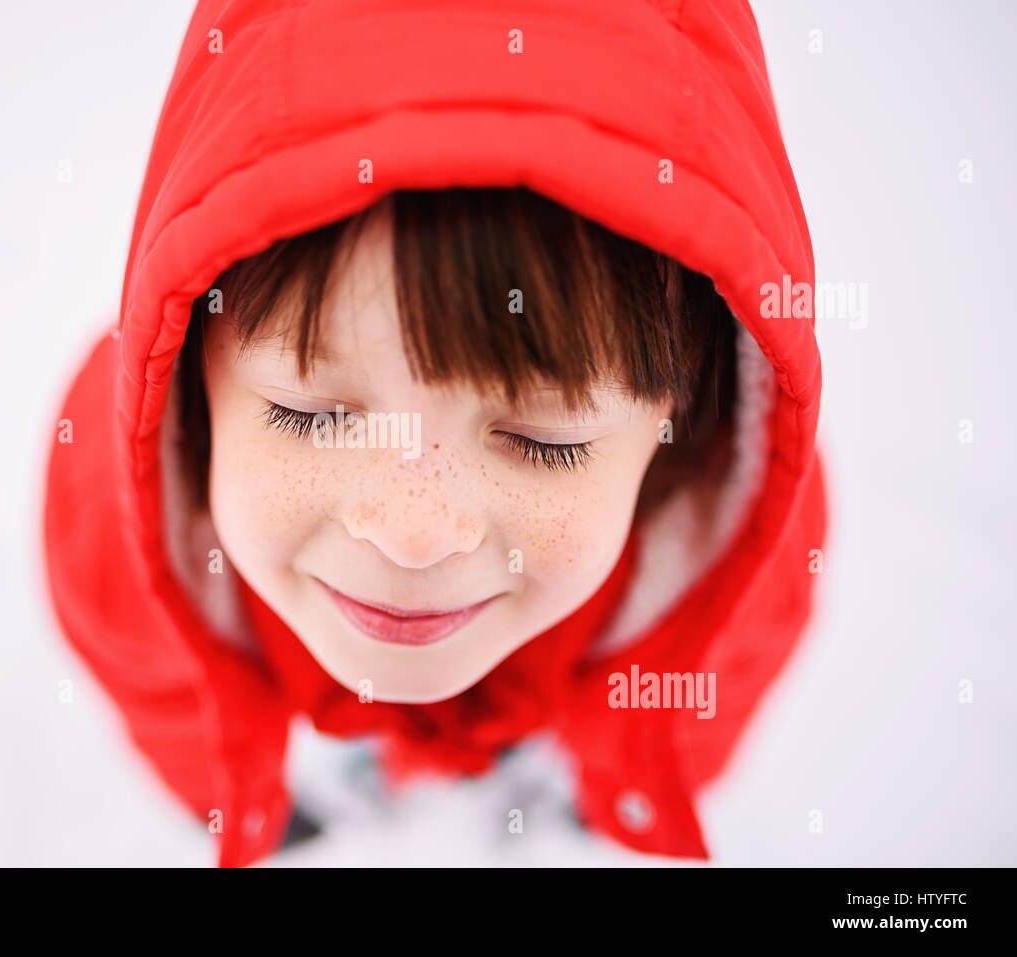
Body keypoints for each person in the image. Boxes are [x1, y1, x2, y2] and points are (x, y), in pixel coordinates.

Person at [43, 0, 827, 867]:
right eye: (312, 415)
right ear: (188, 384)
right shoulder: (115, 529)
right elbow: (164, 697)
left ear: (687, 433)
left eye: (543, 439)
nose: (413, 533)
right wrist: (233, 797)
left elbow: (704, 701)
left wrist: (611, 785)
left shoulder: (732, 561)